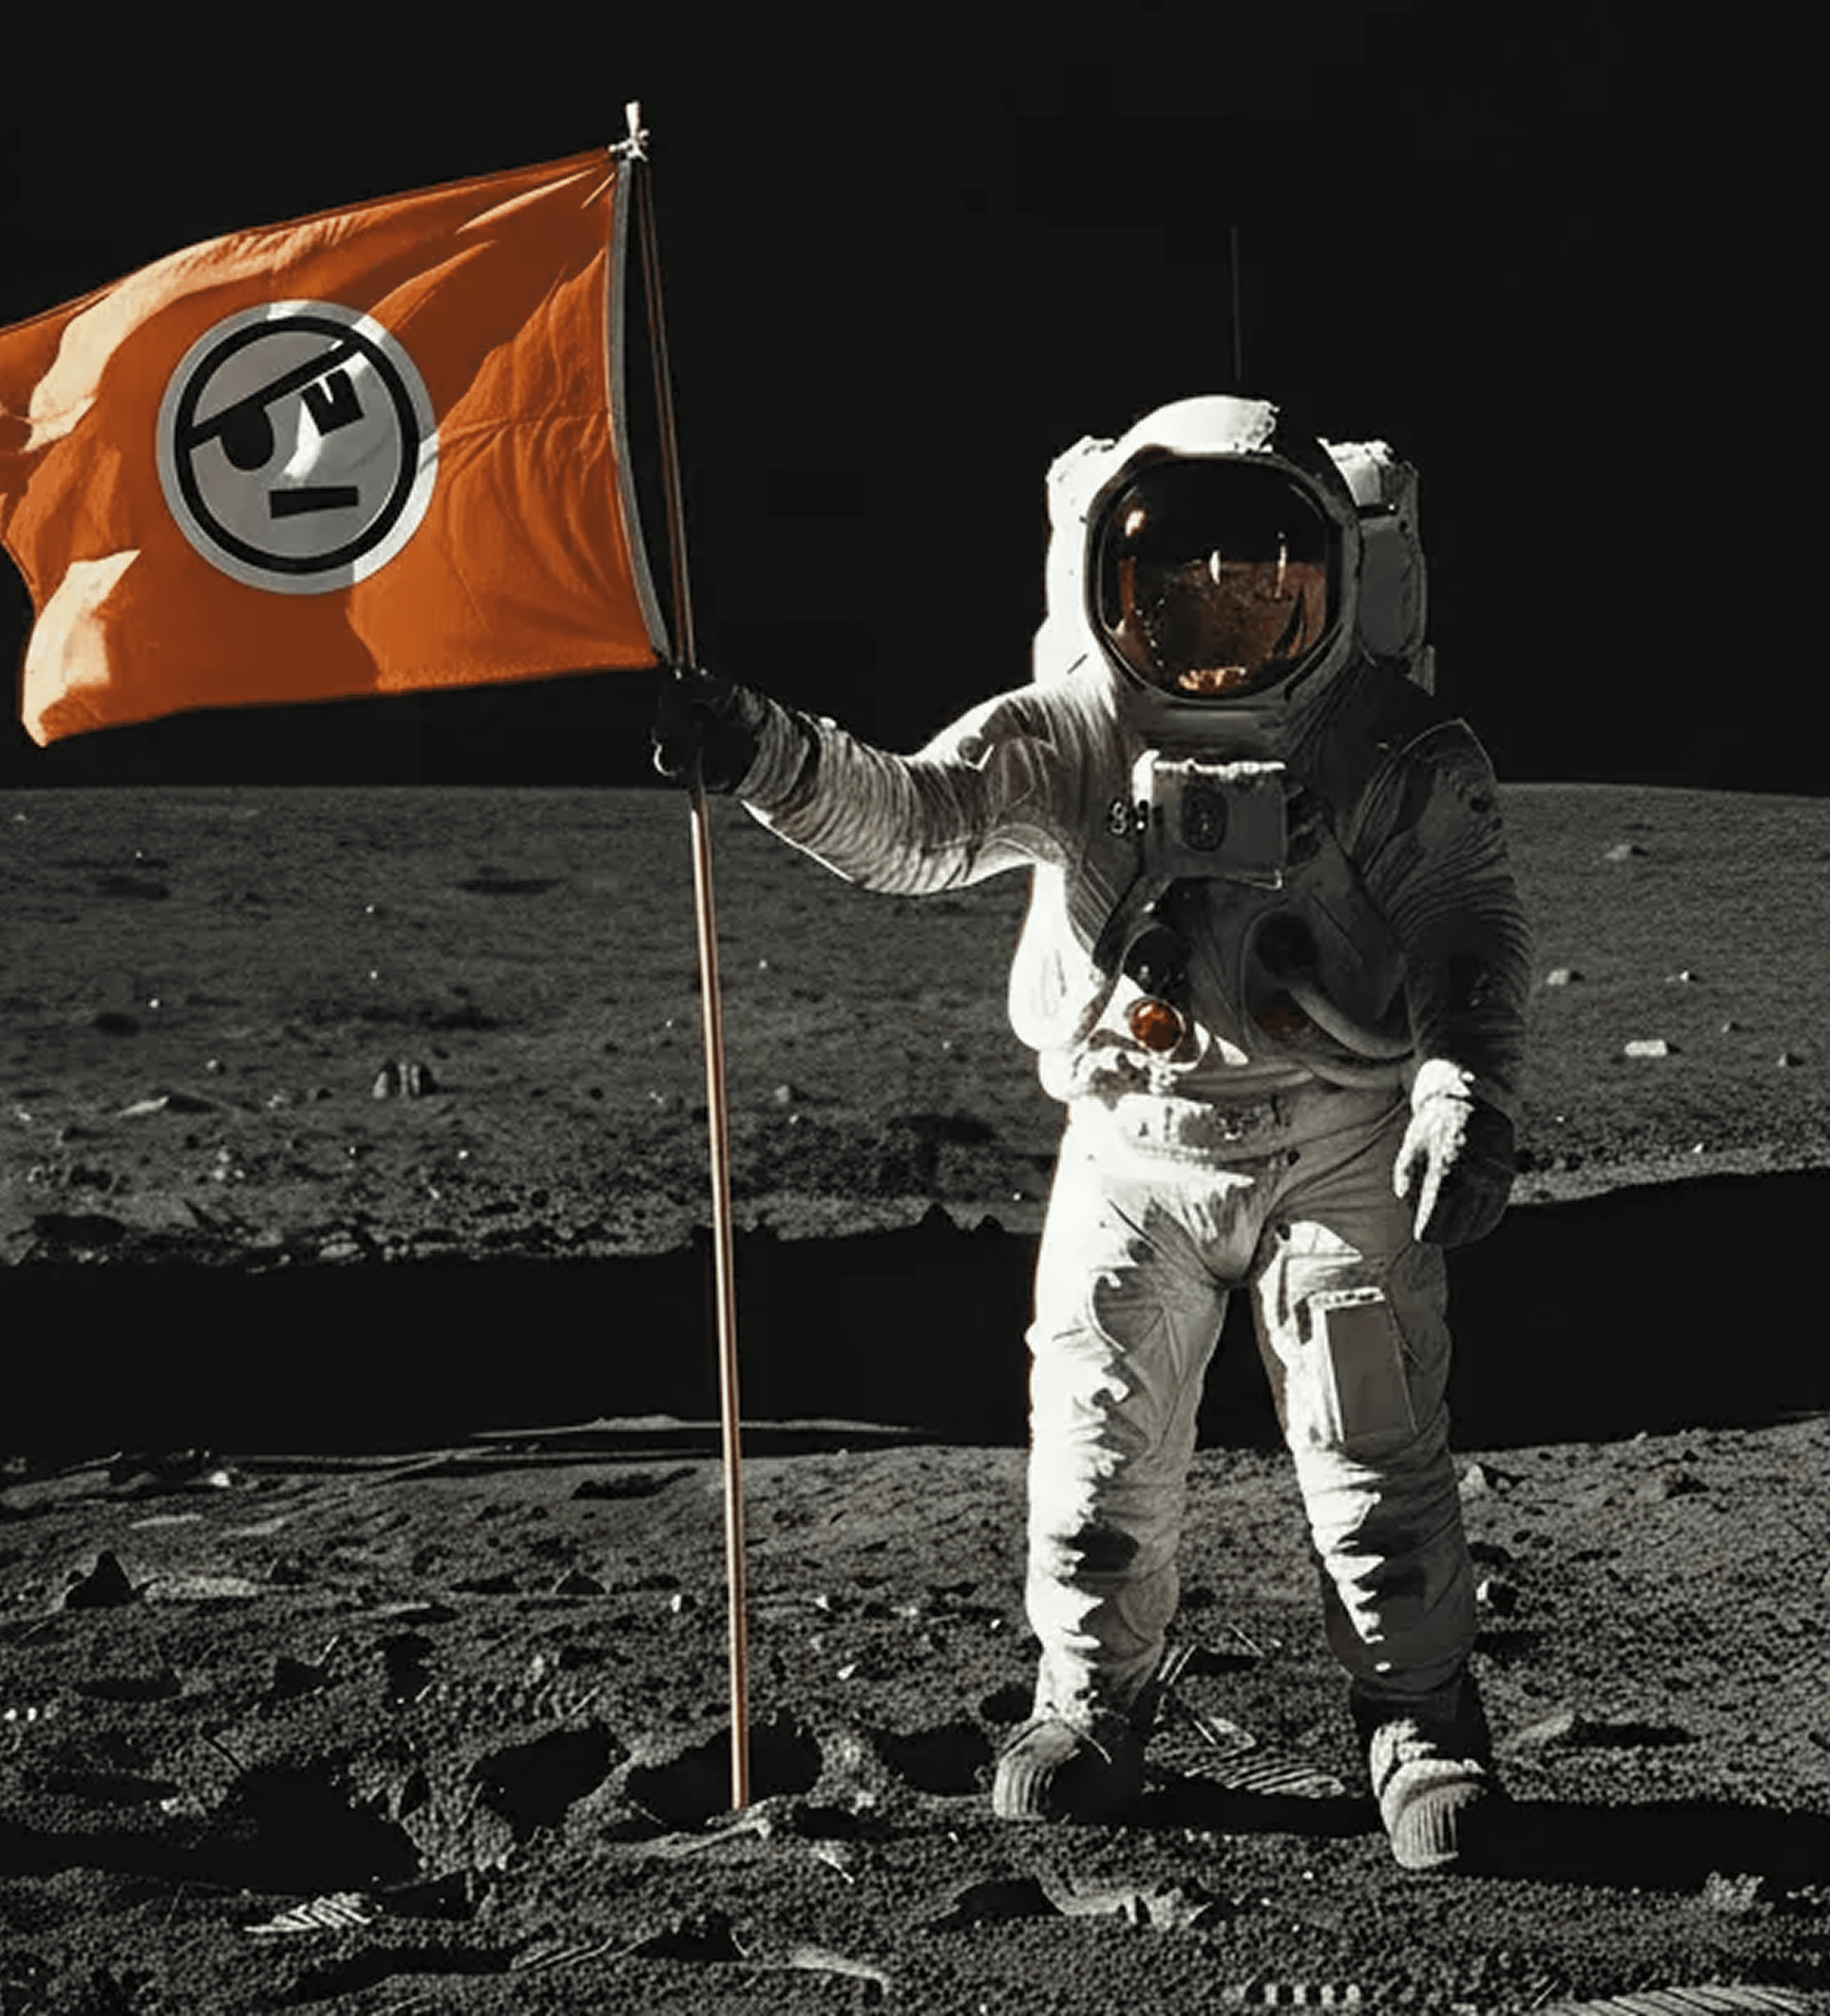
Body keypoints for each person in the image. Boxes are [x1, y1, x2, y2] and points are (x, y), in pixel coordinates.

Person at [650, 394, 1534, 1872]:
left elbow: (1466, 930)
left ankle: (1420, 1715)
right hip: (1136, 1141)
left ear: (1329, 570)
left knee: (1369, 1439)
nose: (1217, 612)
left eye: (1259, 577)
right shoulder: (1070, 732)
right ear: (1105, 580)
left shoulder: (1390, 746)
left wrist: (1463, 1085)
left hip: (1336, 1138)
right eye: (1175, 579)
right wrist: (766, 755)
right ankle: (1091, 1703)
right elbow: (921, 821)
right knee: (1097, 1444)